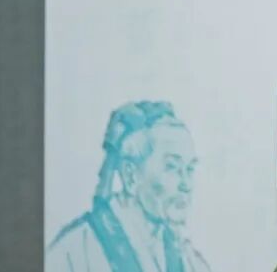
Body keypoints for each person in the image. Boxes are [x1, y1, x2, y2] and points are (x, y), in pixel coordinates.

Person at [47, 101, 210, 272]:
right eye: (172, 167)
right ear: (130, 175)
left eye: (189, 169)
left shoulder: (187, 258)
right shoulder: (75, 251)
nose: (186, 184)